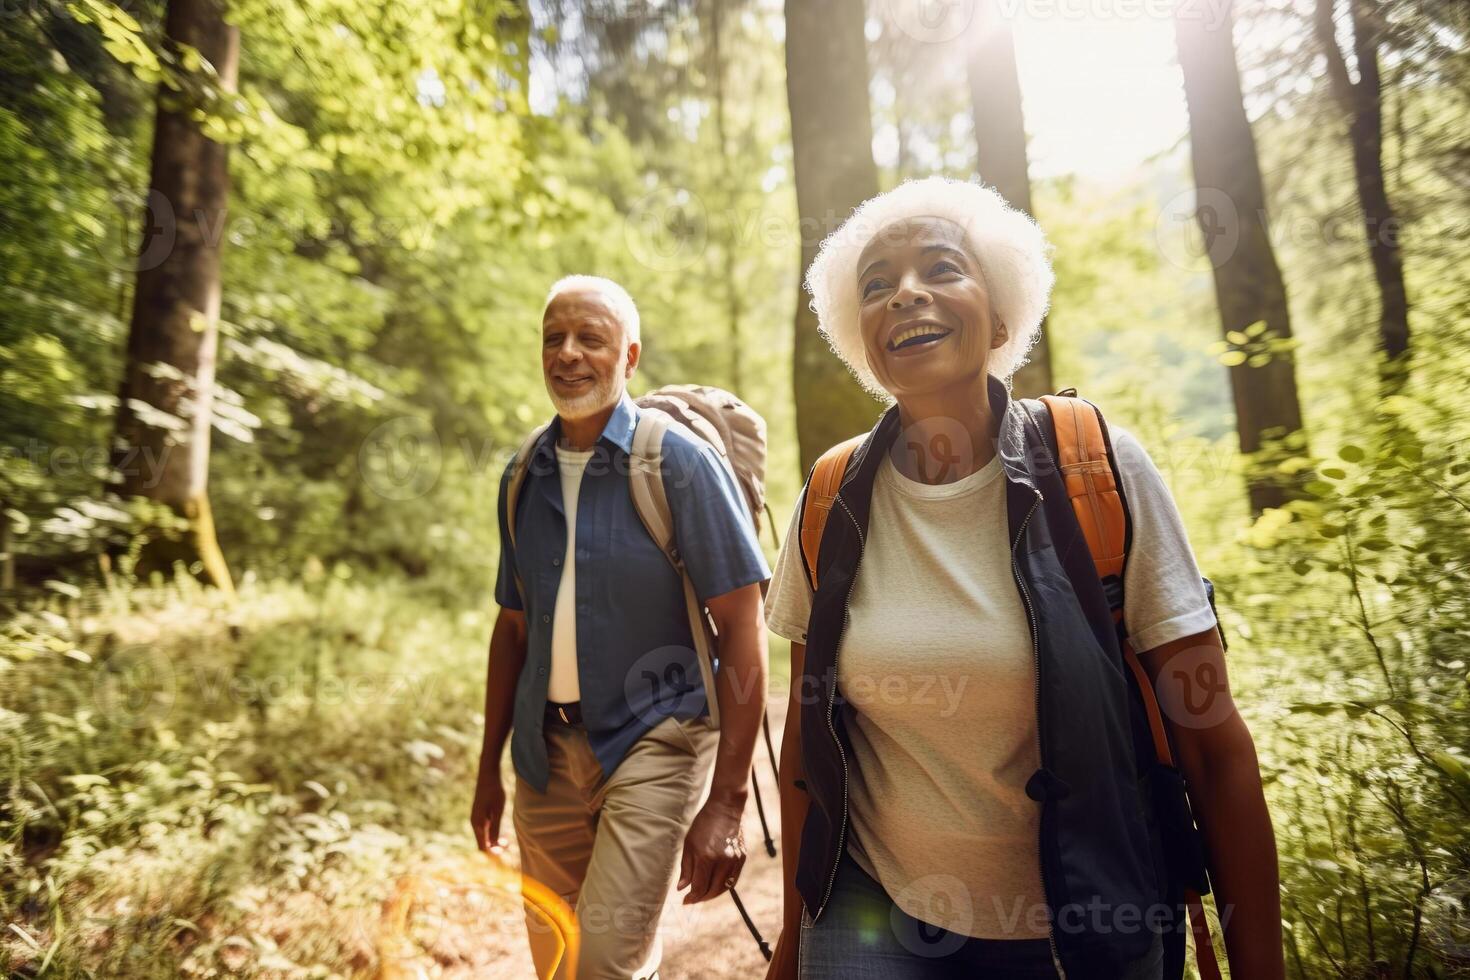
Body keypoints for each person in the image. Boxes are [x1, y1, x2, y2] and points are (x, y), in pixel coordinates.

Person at [762, 178, 1284, 980]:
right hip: (872, 922)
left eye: (941, 268)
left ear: (1001, 315)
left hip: (1090, 927)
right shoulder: (830, 502)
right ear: (861, 339)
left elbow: (1213, 748)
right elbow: (807, 743)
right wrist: (795, 950)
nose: (905, 293)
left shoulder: (1095, 467)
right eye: (877, 284)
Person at [470, 275, 772, 980]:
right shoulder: (524, 473)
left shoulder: (680, 465)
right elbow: (511, 631)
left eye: (590, 338)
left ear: (628, 356)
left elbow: (743, 630)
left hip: (654, 744)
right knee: (560, 964)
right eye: (554, 338)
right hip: (543, 761)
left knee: (603, 966)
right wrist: (488, 768)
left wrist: (727, 804)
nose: (568, 354)